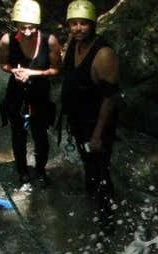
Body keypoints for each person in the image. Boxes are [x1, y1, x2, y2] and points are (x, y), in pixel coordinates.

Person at [60, 0, 119, 216]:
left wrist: (97, 135)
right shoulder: (74, 43)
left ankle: (108, 222)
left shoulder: (103, 54)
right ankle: (92, 204)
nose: (77, 28)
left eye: (83, 24)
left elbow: (110, 97)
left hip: (97, 124)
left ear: (93, 24)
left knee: (101, 169)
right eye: (73, 24)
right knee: (89, 166)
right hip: (79, 119)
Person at [0, 0, 61, 186]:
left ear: (37, 25)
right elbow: (3, 64)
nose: (26, 32)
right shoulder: (7, 40)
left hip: (39, 95)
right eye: (22, 27)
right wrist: (14, 71)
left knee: (41, 137)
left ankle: (40, 171)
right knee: (18, 136)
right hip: (16, 94)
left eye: (31, 28)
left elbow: (57, 69)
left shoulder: (50, 41)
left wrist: (33, 73)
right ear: (15, 24)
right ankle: (22, 171)